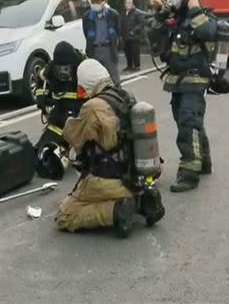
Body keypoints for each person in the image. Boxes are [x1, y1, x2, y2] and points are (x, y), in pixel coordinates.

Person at [55, 59, 164, 238]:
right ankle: (142, 200)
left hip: (108, 180)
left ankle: (116, 211)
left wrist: (71, 117)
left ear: (86, 83)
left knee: (65, 215)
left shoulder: (92, 107)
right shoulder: (125, 96)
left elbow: (73, 137)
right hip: (135, 176)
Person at [149, 0, 223, 193]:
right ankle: (204, 160)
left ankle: (189, 172)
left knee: (188, 123)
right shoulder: (175, 19)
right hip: (176, 80)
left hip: (195, 79)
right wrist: (161, 13)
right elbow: (152, 35)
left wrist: (195, 9)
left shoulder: (202, 16)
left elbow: (208, 32)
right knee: (190, 123)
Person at [33, 41, 88, 179]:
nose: (63, 72)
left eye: (66, 68)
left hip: (81, 108)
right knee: (42, 146)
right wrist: (41, 98)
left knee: (84, 142)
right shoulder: (51, 67)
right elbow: (39, 80)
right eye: (60, 68)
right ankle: (50, 150)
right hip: (60, 108)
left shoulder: (84, 66)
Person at [83, 0, 121, 85]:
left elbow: (118, 32)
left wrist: (115, 47)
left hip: (108, 49)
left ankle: (117, 97)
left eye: (97, 1)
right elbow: (86, 33)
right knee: (94, 79)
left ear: (104, 1)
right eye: (93, 1)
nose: (94, 3)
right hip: (93, 50)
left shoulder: (113, 15)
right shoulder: (87, 16)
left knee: (113, 78)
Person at [120, 0, 145, 72]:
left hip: (134, 37)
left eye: (129, 3)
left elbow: (141, 23)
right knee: (127, 52)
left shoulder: (137, 13)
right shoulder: (123, 13)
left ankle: (137, 66)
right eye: (127, 3)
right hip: (125, 36)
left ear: (132, 3)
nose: (128, 5)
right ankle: (129, 66)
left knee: (135, 52)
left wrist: (134, 31)